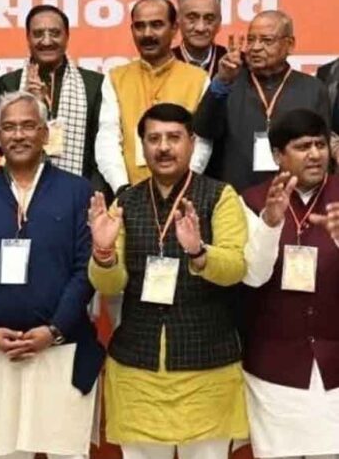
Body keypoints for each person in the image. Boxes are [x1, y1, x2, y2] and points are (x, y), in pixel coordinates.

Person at [0, 91, 105, 459]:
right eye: (9, 127)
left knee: (66, 453)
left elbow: (86, 268)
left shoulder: (77, 191)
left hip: (62, 348)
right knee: (6, 454)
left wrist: (54, 330)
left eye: (28, 126)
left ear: (45, 134)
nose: (18, 135)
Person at [89, 103, 248, 459]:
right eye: (154, 138)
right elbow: (109, 285)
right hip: (138, 367)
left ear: (191, 143)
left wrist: (199, 252)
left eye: (174, 138)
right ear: (142, 146)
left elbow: (236, 267)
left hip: (207, 365)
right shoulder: (126, 202)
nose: (163, 147)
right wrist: (103, 253)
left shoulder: (219, 196)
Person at [240, 108, 339, 459]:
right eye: (302, 146)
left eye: (320, 145)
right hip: (273, 372)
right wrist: (270, 224)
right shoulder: (251, 201)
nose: (314, 154)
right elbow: (253, 276)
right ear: (277, 155)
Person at [194, 10, 331, 191]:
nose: (255, 47)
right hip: (234, 195)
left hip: (294, 194)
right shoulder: (229, 83)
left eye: (266, 41)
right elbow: (204, 130)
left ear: (290, 45)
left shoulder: (312, 88)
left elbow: (322, 151)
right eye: (251, 40)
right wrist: (222, 81)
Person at [96, 0, 210, 196]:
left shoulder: (198, 79)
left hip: (184, 194)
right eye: (140, 26)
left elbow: (201, 142)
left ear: (174, 28)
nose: (147, 33)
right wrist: (122, 188)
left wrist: (184, 187)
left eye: (156, 25)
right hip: (129, 193)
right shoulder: (116, 78)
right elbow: (108, 138)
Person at [0, 5, 104, 189]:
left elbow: (101, 149)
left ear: (67, 36)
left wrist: (90, 193)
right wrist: (29, 104)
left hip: (79, 190)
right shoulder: (9, 84)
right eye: (38, 34)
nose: (46, 41)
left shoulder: (93, 84)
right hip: (20, 190)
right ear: (28, 38)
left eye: (55, 33)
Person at [172, 0, 227, 78]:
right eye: (192, 18)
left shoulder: (236, 64)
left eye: (209, 19)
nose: (200, 28)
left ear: (219, 22)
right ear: (178, 20)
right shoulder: (163, 63)